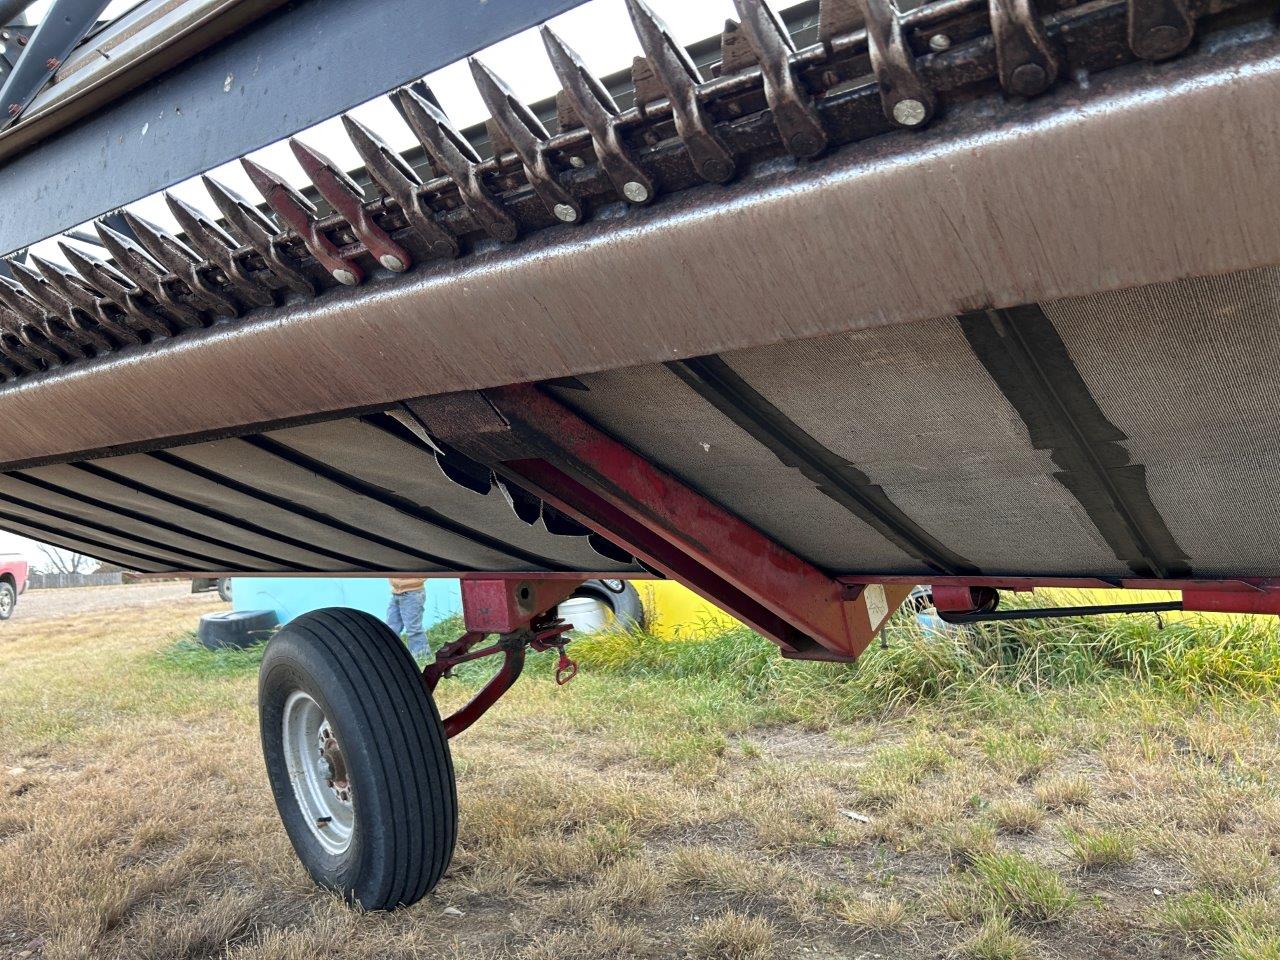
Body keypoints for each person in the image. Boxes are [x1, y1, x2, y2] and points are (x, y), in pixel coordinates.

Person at [387, 577, 428, 657]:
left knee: (413, 628)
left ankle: (420, 655)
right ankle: (392, 654)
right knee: (391, 627)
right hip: (396, 593)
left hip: (413, 593)